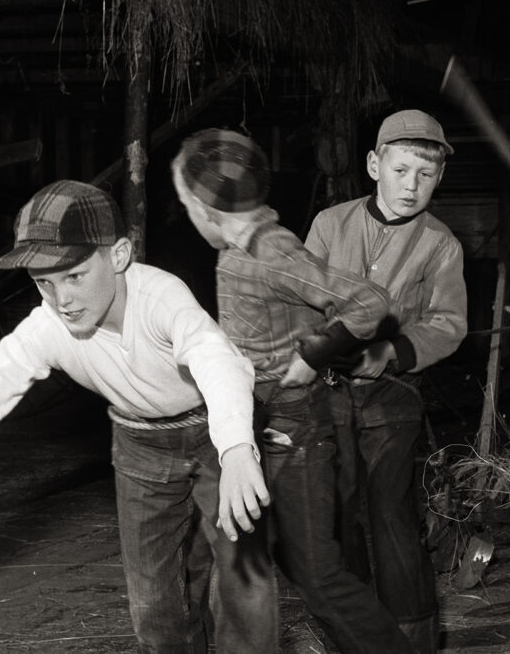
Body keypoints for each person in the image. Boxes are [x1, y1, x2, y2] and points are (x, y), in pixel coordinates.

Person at [0, 179, 279, 653]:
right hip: (139, 444)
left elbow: (216, 360)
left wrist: (237, 448)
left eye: (74, 275)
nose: (62, 299)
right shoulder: (48, 327)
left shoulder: (160, 297)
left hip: (217, 431)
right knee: (153, 608)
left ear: (118, 256)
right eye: (43, 282)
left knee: (244, 582)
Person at [170, 128, 414, 654]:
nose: (187, 216)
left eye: (186, 205)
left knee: (318, 576)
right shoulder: (241, 251)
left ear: (205, 209)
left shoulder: (267, 252)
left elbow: (369, 301)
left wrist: (311, 355)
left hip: (293, 428)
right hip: (262, 425)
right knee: (228, 555)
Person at [304, 109, 468, 653]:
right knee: (338, 511)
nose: (410, 186)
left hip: (392, 396)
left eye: (425, 175)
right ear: (375, 165)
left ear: (439, 178)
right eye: (400, 171)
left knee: (391, 511)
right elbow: (301, 296)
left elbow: (448, 323)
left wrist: (391, 352)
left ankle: (414, 638)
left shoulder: (440, 245)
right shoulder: (331, 224)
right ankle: (351, 634)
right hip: (328, 392)